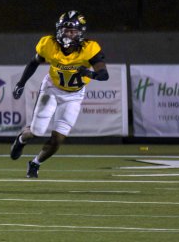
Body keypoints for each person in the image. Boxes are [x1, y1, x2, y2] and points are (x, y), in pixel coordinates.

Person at [9, 10, 109, 178]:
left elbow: (103, 74)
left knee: (58, 140)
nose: (68, 34)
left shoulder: (89, 48)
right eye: (65, 30)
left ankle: (35, 163)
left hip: (74, 96)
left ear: (80, 33)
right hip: (52, 89)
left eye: (72, 31)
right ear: (59, 29)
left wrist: (88, 73)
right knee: (36, 131)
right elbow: (34, 62)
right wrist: (21, 83)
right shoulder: (49, 44)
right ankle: (21, 139)